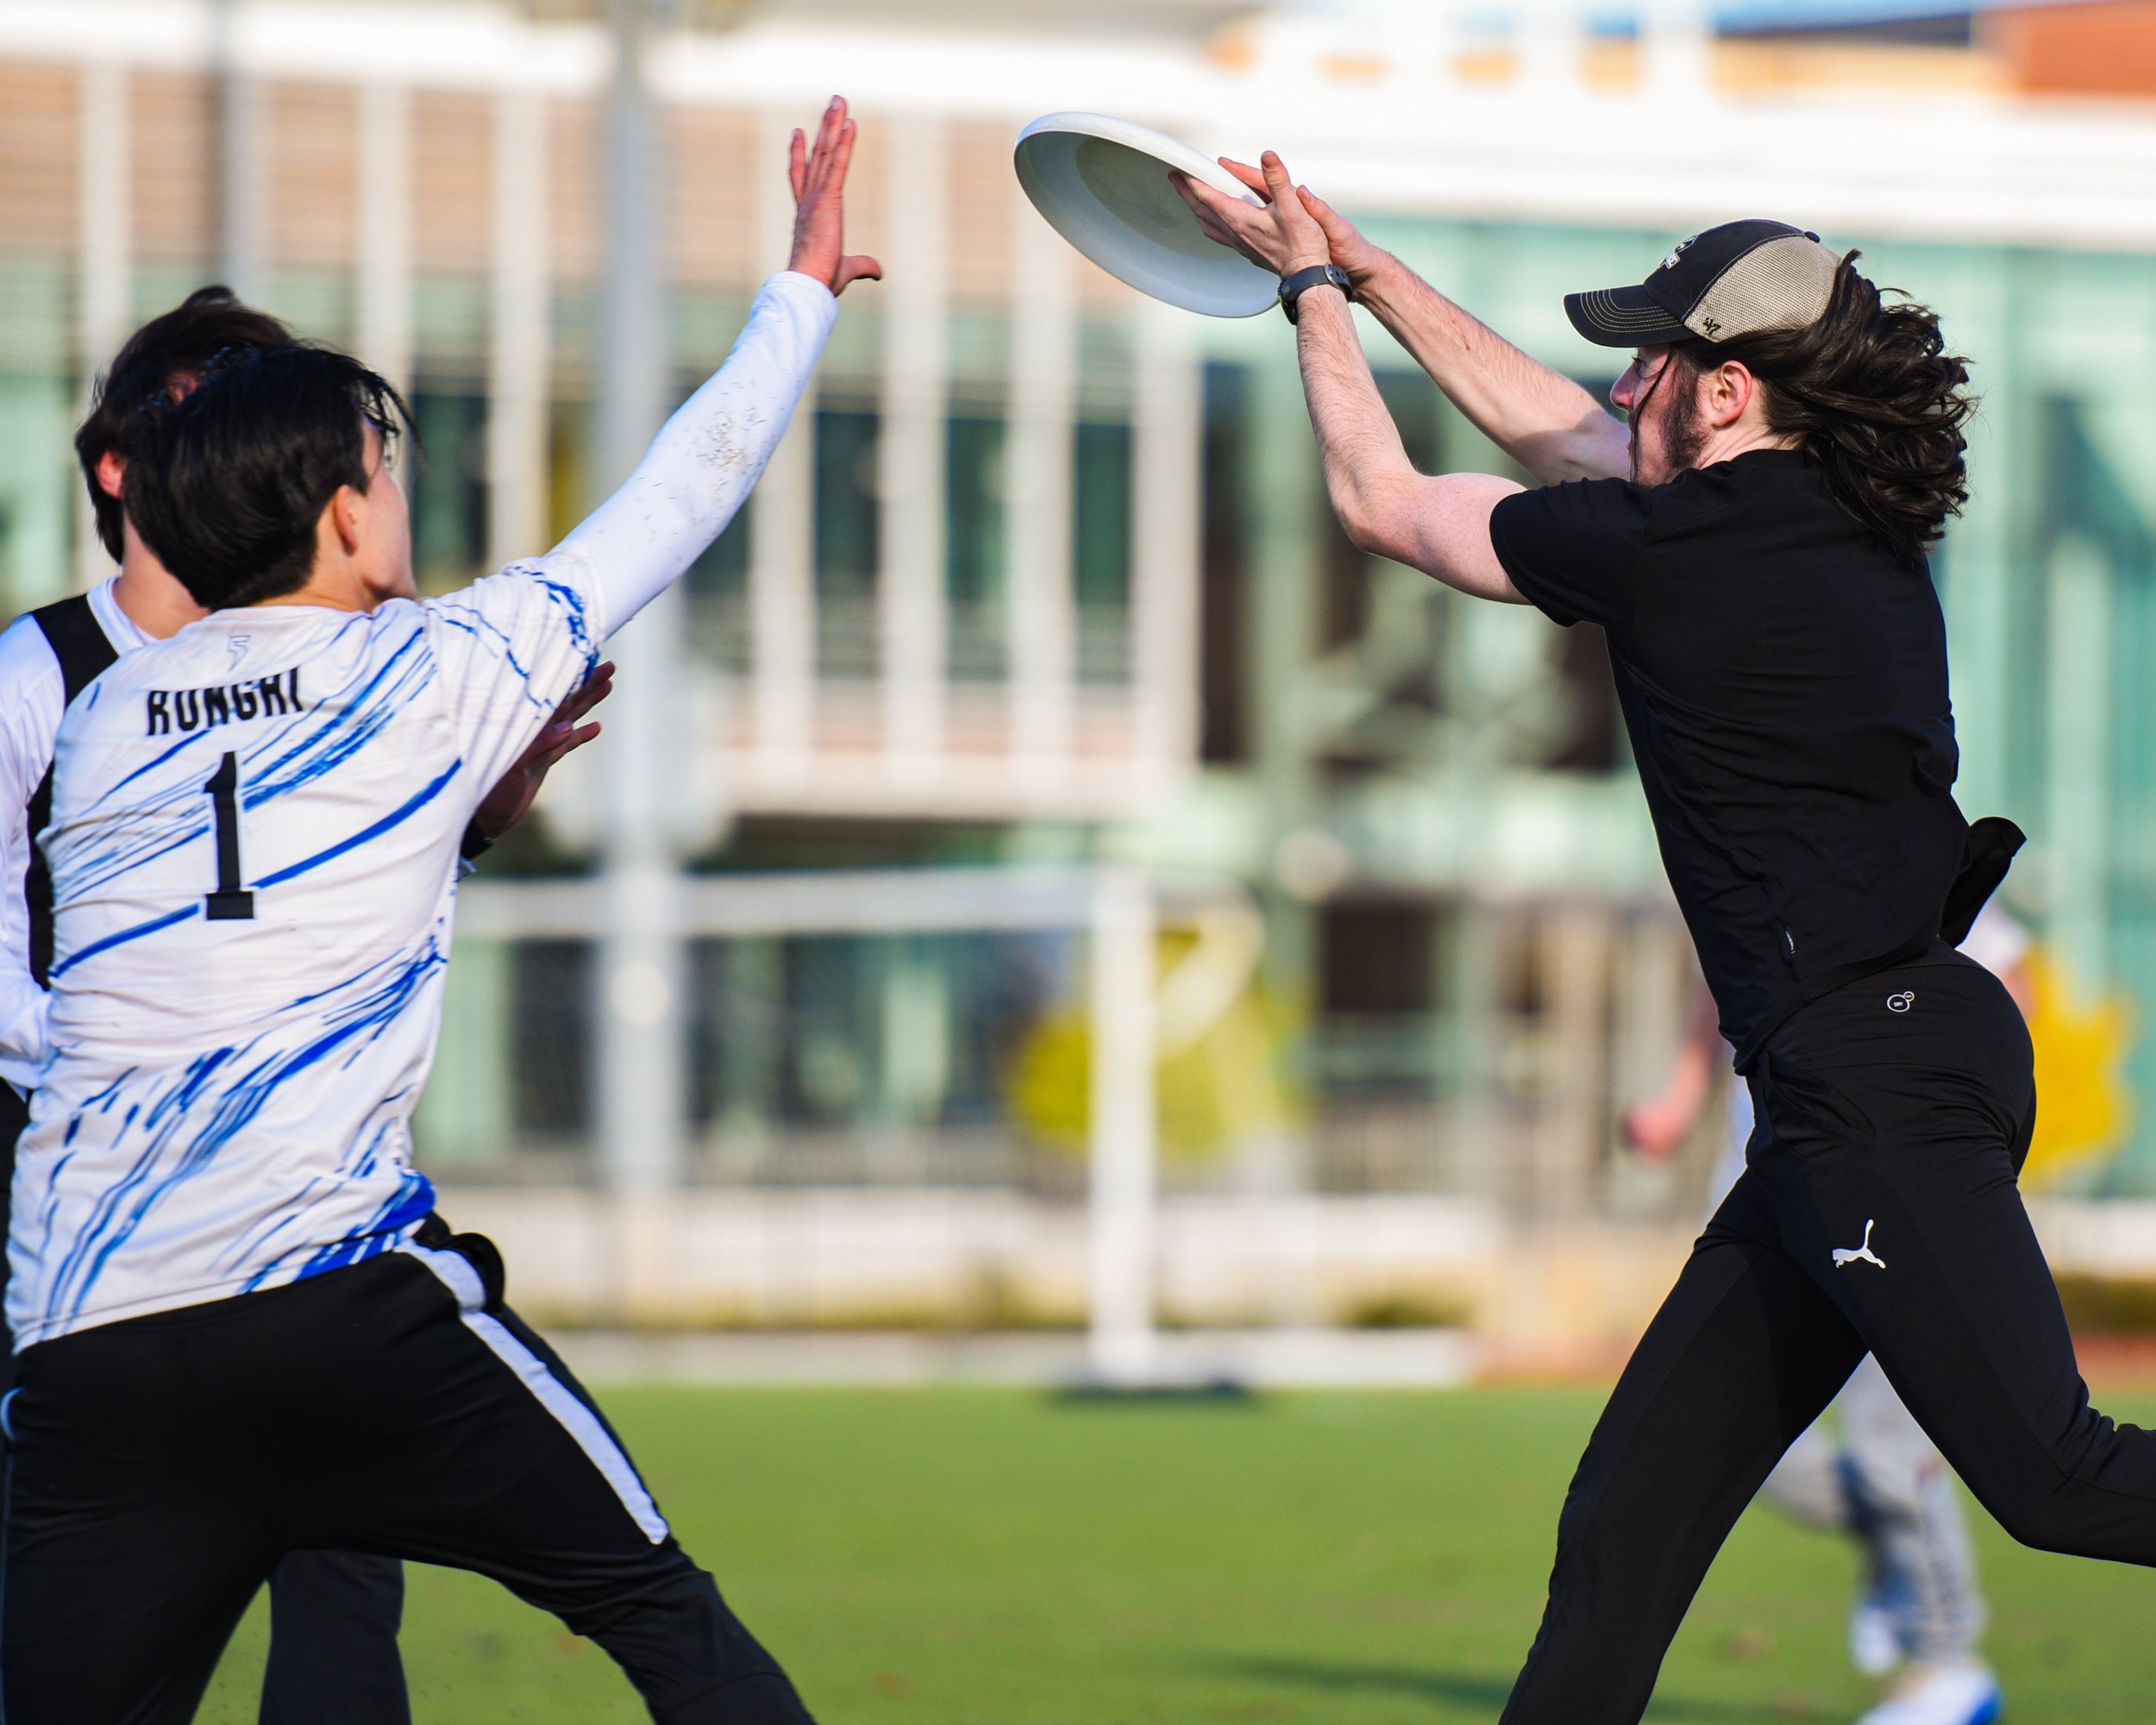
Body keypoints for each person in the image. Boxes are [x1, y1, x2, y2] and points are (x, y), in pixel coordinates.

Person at [1174, 158, 2156, 1725]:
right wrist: (1369, 271)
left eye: (1651, 358)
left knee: (2056, 1481)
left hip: (1875, 1090)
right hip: (1866, 1077)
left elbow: (1379, 502)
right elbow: (1570, 438)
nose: (1617, 382)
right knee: (1623, 1528)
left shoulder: (1687, 550)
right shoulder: (1821, 511)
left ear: (1727, 393)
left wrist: (1301, 301)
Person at [1, 96, 876, 1725]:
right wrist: (804, 287)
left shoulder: (104, 705)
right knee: (658, 1615)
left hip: (88, 1335)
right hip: (338, 1307)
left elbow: (239, 885)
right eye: (386, 466)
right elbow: (685, 488)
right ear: (344, 510)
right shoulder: (441, 669)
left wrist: (458, 819)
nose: (398, 491)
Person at [2, 287, 607, 1724]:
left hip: (286, 1188)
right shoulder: (39, 678)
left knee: (346, 1563)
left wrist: (480, 813)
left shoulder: (322, 669)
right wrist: (137, 1073)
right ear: (118, 466)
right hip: (73, 1185)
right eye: (211, 406)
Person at [1626, 900, 2034, 1725]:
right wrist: (1677, 1099)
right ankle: (1895, 1549)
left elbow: (2009, 996)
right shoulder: (1746, 860)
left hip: (1892, 1201)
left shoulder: (1907, 857)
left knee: (1893, 1445)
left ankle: (1951, 1668)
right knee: (1721, 1437)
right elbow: (1721, 997)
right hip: (1765, 1207)